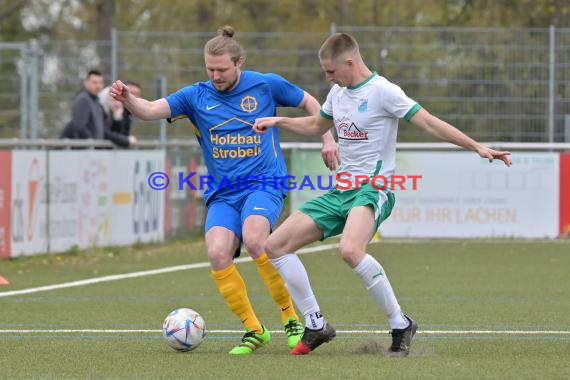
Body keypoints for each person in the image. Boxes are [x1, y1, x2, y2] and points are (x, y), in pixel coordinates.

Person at [253, 33, 512, 356]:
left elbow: (429, 123)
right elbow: (317, 125)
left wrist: (477, 147)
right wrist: (280, 121)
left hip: (374, 188)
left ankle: (400, 323)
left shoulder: (384, 92)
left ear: (350, 62)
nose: (327, 78)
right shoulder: (337, 92)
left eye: (330, 71)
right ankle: (316, 324)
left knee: (350, 249)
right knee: (275, 245)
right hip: (341, 190)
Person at [110, 26, 339, 355]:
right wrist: (128, 99)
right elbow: (148, 110)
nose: (215, 75)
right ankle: (254, 330)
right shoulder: (195, 96)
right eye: (210, 69)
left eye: (222, 69)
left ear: (239, 62)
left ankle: (291, 319)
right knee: (217, 252)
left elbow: (310, 102)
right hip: (223, 192)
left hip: (265, 182)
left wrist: (327, 139)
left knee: (256, 238)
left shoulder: (265, 84)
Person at [60, 70, 136, 148]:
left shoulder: (96, 102)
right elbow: (80, 127)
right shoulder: (83, 99)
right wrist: (93, 144)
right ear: (85, 83)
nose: (98, 86)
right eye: (94, 82)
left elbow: (105, 130)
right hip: (84, 151)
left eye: (101, 82)